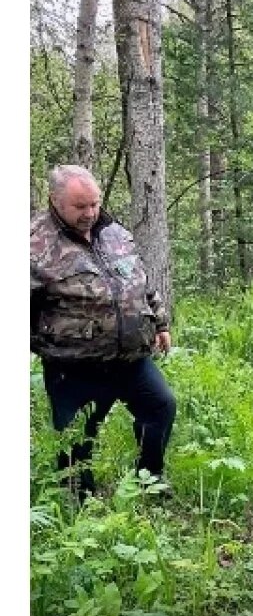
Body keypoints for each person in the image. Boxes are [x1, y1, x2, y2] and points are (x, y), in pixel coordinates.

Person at [30, 165, 176, 500]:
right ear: (55, 200)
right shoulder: (34, 245)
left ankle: (148, 481)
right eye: (80, 207)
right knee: (77, 440)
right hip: (75, 367)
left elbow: (139, 280)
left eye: (94, 203)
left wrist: (160, 322)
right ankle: (80, 507)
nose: (90, 213)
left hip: (130, 358)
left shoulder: (113, 232)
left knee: (161, 407)